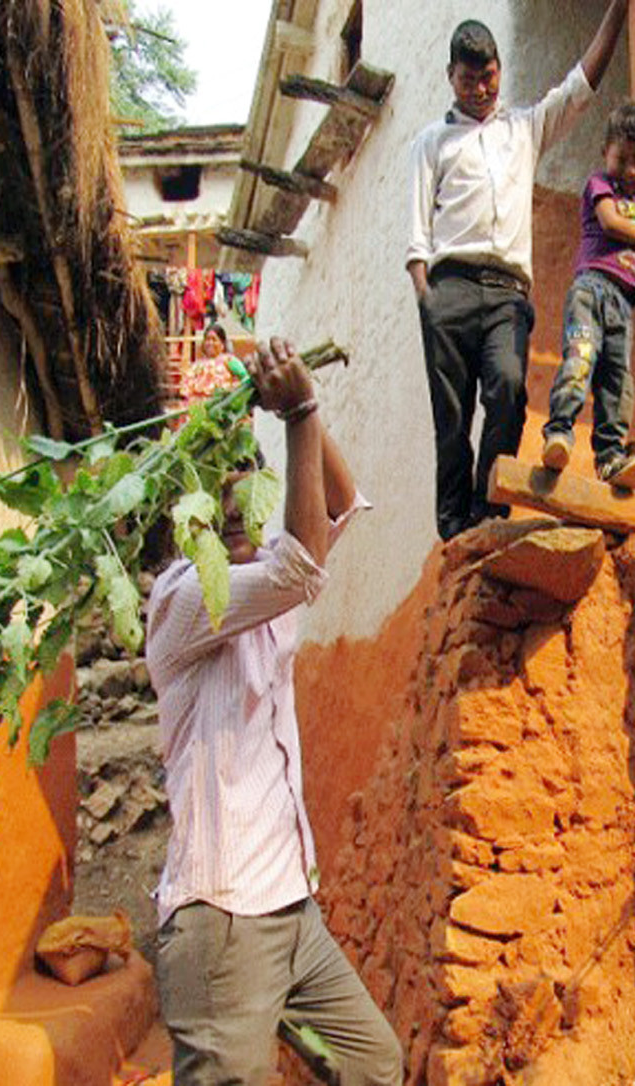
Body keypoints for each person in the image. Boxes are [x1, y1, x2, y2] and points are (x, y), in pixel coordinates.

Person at [146, 338, 402, 1086]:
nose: (235, 501)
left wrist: (302, 406)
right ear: (185, 510)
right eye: (217, 488)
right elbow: (302, 563)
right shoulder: (183, 598)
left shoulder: (266, 582)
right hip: (222, 923)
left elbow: (340, 504)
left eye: (245, 479)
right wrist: (299, 411)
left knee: (373, 1064)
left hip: (290, 909)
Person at [407, 4, 629, 540]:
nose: (480, 88)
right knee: (452, 418)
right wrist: (427, 299)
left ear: (499, 70)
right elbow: (416, 233)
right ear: (451, 78)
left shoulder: (524, 128)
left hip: (507, 292)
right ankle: (454, 526)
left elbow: (582, 83)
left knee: (507, 391)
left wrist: (621, 8)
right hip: (449, 289)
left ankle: (491, 506)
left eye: (487, 77)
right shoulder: (431, 142)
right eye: (468, 79)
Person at [542, 102, 635, 488]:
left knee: (618, 380)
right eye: (623, 159)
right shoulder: (601, 185)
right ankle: (559, 431)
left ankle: (610, 457)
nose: (631, 171)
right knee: (581, 359)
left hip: (621, 305)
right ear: (606, 153)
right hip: (592, 290)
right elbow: (610, 222)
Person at [180, 322, 248, 403]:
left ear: (222, 344)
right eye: (208, 339)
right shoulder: (196, 366)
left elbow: (245, 378)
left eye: (214, 339)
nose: (210, 343)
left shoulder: (229, 361)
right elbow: (186, 389)